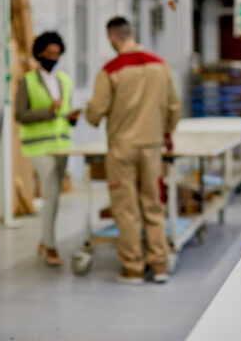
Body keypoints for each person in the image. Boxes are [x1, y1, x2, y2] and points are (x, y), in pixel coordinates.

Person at [86, 17, 181, 284]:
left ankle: (133, 269)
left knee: (126, 210)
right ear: (133, 33)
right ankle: (159, 266)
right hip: (152, 147)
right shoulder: (160, 66)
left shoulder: (110, 69)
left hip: (121, 148)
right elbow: (174, 107)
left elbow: (95, 112)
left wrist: (87, 114)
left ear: (112, 38)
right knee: (153, 205)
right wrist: (166, 131)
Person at [16, 31, 81, 266]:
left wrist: (72, 118)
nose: (53, 57)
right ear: (39, 53)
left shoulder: (64, 80)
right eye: (49, 53)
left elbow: (62, 116)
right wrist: (47, 112)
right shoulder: (28, 80)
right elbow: (20, 114)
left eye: (57, 54)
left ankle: (45, 241)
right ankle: (50, 246)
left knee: (55, 197)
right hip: (38, 147)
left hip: (61, 145)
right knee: (51, 194)